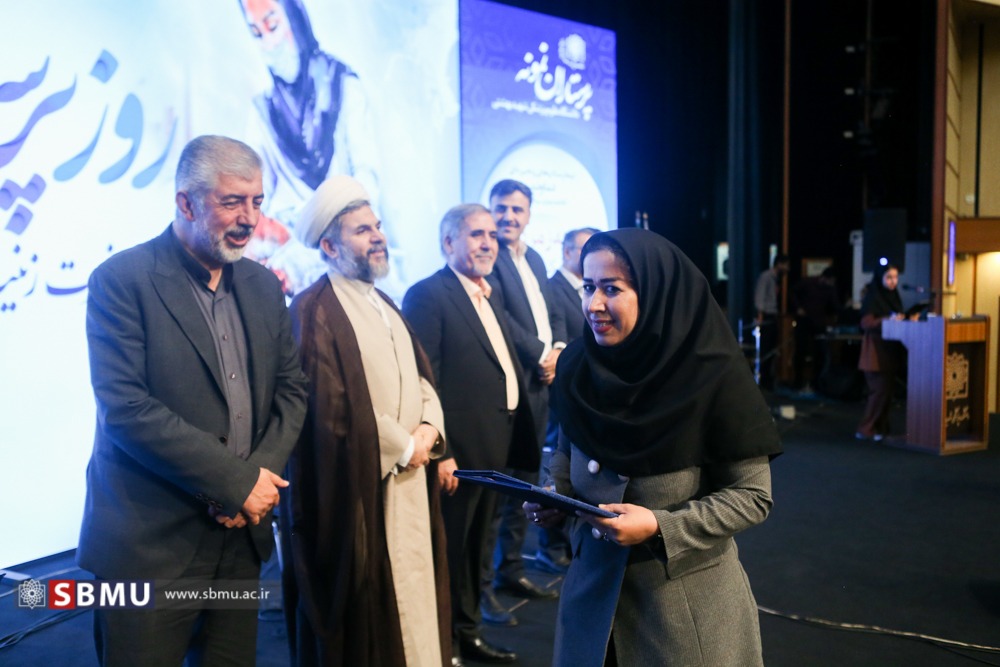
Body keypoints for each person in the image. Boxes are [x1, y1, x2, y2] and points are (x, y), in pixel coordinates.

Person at [78, 135, 309, 666]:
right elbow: (126, 408)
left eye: (256, 201)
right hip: (150, 547)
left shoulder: (262, 284)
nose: (249, 218)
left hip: (240, 541)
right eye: (232, 202)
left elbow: (292, 390)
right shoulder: (122, 280)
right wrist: (235, 482)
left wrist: (256, 482)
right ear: (185, 203)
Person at [527, 229, 782, 667]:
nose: (594, 304)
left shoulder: (712, 377)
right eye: (588, 287)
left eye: (612, 289)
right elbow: (568, 455)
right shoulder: (578, 366)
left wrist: (661, 526)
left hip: (680, 618)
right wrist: (556, 497)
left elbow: (753, 497)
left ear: (656, 293)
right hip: (591, 607)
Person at [281, 175, 451, 666]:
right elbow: (329, 409)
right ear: (329, 246)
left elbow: (422, 380)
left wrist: (429, 431)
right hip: (362, 494)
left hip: (411, 480)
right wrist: (404, 447)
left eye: (376, 226)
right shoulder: (314, 310)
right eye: (362, 230)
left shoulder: (385, 303)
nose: (377, 236)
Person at [403, 204, 540, 665]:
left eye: (492, 236)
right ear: (448, 243)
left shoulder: (489, 292)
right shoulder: (428, 295)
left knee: (479, 551)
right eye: (477, 235)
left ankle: (468, 632)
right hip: (458, 459)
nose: (488, 244)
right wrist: (442, 453)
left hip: (494, 449)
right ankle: (444, 647)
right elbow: (425, 382)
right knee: (452, 555)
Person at [237, 0, 386, 295]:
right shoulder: (262, 109)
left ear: (295, 20)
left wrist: (333, 226)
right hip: (289, 252)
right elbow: (257, 193)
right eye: (256, 33)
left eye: (273, 26)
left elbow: (367, 177)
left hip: (346, 244)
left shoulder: (344, 85)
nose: (268, 44)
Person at [485, 179, 566, 603]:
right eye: (501, 208)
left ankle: (511, 569)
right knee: (502, 485)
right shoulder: (488, 257)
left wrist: (559, 349)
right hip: (511, 383)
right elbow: (500, 318)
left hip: (542, 381)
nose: (508, 216)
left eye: (517, 209)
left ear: (529, 214)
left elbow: (553, 311)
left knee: (529, 479)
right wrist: (540, 354)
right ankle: (488, 582)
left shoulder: (533, 257)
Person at [536, 226, 599, 575]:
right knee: (556, 464)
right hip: (560, 389)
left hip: (587, 390)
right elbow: (556, 336)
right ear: (567, 251)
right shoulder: (551, 287)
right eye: (585, 249)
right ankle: (550, 547)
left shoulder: (588, 288)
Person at [855, 263, 916, 441]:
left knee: (886, 394)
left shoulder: (894, 297)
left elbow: (896, 317)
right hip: (875, 352)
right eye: (889, 277)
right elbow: (866, 323)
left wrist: (906, 319)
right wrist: (887, 319)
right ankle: (866, 429)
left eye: (895, 277)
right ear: (880, 278)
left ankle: (879, 429)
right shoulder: (873, 296)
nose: (893, 281)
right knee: (879, 392)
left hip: (889, 352)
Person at [792, 266, 840, 390]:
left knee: (819, 354)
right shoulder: (808, 283)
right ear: (824, 278)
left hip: (818, 323)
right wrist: (798, 307)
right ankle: (798, 381)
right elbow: (793, 293)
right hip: (804, 321)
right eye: (830, 281)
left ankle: (816, 383)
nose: (831, 284)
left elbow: (834, 306)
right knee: (800, 352)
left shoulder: (830, 289)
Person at [753, 253, 790, 389]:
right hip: (766, 316)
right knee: (765, 349)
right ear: (779, 264)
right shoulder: (766, 277)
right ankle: (763, 380)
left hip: (772, 316)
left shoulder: (775, 279)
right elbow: (760, 297)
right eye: (786, 265)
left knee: (771, 349)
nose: (788, 268)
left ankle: (768, 378)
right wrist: (760, 315)